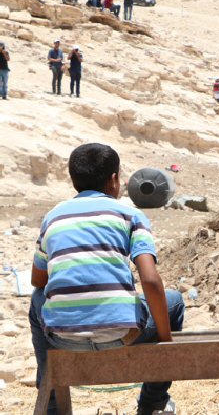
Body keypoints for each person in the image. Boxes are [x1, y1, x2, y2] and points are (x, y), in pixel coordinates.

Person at [28, 143, 185, 415]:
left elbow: (37, 280)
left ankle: (52, 403)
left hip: (62, 337)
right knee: (175, 302)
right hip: (123, 334)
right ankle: (153, 401)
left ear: (74, 180)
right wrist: (165, 341)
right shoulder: (131, 215)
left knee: (37, 300)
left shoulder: (52, 217)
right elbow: (149, 280)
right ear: (114, 180)